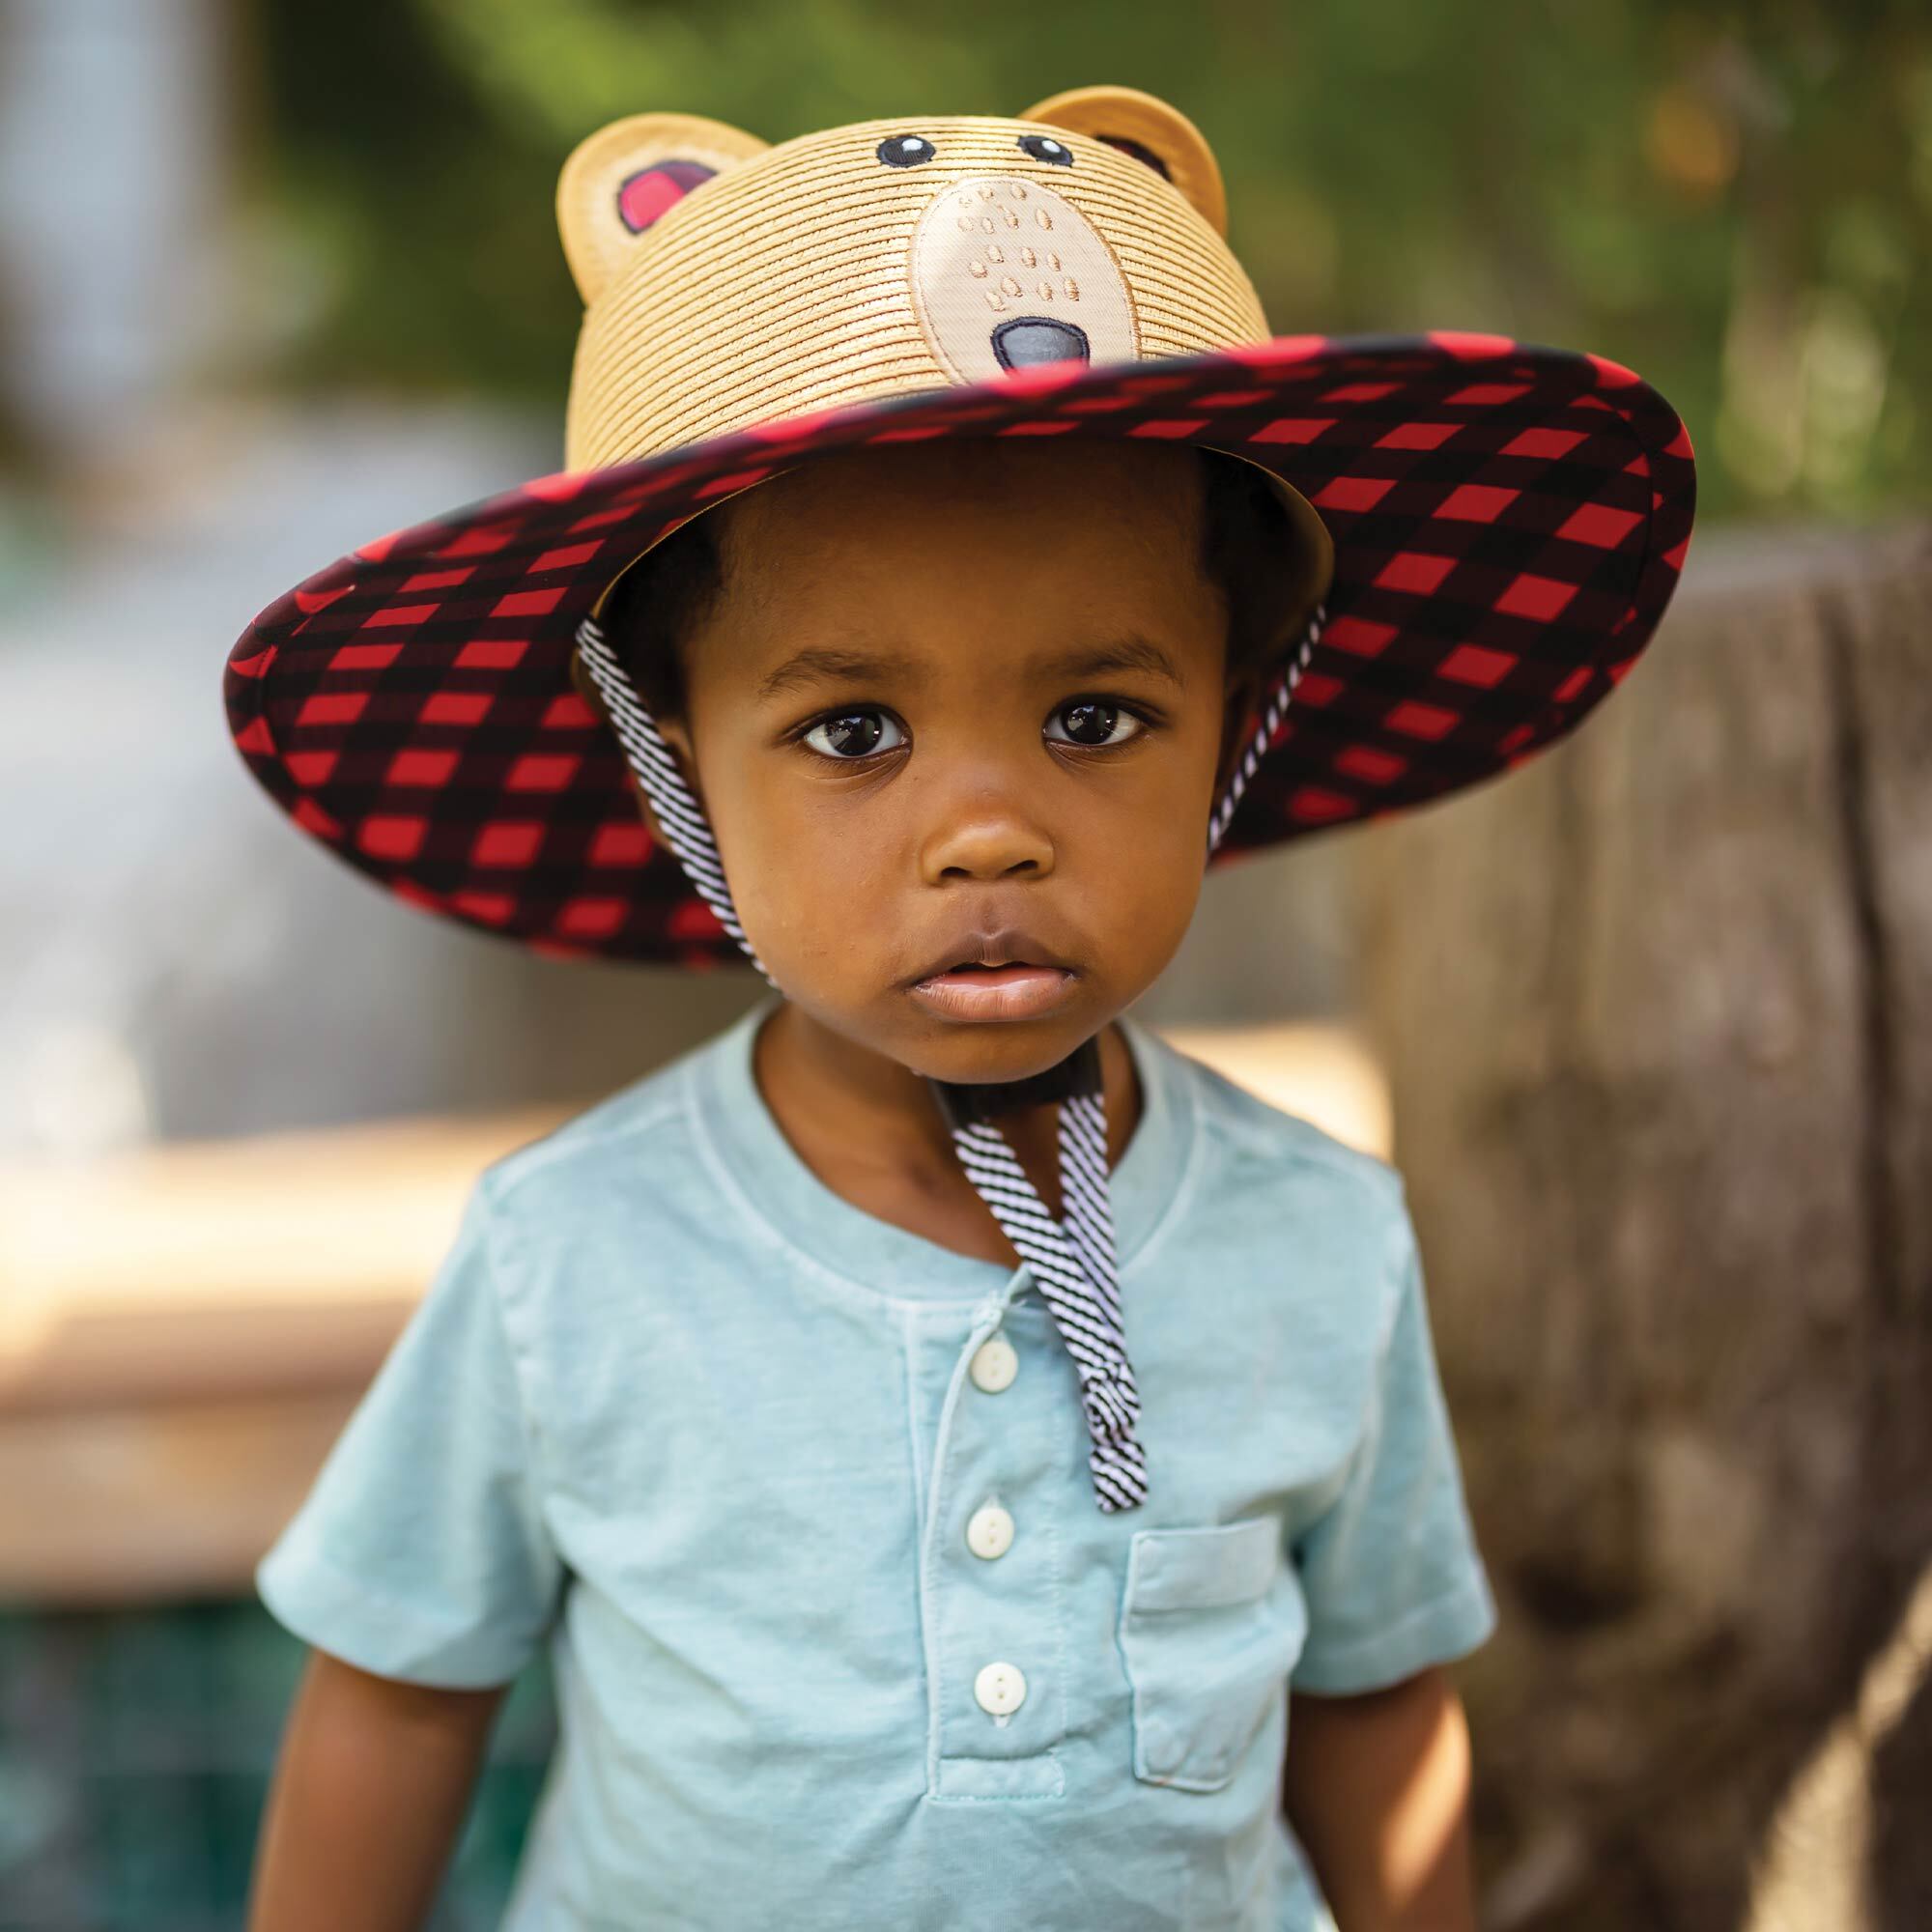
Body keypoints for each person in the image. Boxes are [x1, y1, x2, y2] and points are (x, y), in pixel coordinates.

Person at [228, 87, 1695, 1931]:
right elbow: (396, 1702)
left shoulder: (1321, 1240)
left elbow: (1375, 1709)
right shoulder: (570, 1257)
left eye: (1097, 718)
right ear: (679, 769)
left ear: (1235, 727)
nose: (989, 828)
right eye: (853, 732)